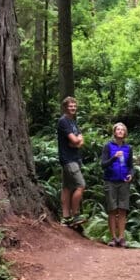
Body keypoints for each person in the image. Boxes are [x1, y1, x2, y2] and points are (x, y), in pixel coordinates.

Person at [100, 122, 133, 247]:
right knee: (112, 209)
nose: (120, 131)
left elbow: (131, 166)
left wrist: (131, 174)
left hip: (124, 181)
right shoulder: (108, 146)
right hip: (110, 181)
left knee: (123, 209)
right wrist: (114, 157)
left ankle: (122, 237)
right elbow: (103, 164)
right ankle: (113, 238)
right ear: (114, 132)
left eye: (122, 130)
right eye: (118, 129)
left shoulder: (128, 148)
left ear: (125, 133)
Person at [56, 96, 85, 227]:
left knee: (67, 188)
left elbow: (81, 140)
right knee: (80, 185)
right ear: (65, 107)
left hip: (74, 158)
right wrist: (76, 141)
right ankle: (75, 215)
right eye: (70, 106)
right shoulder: (63, 121)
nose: (73, 108)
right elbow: (75, 140)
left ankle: (65, 217)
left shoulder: (73, 122)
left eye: (74, 105)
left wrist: (77, 142)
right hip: (68, 159)